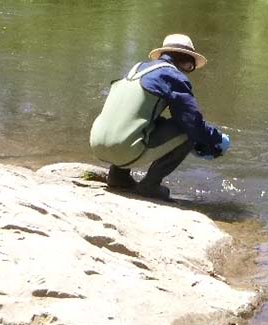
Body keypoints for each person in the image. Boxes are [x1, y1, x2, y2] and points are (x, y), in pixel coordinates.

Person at [90, 33, 230, 200]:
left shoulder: (138, 68)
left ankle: (117, 176)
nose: (188, 71)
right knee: (187, 131)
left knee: (150, 120)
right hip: (126, 150)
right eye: (189, 66)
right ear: (185, 62)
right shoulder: (172, 76)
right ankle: (150, 185)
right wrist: (214, 142)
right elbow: (191, 122)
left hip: (97, 144)